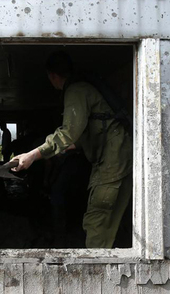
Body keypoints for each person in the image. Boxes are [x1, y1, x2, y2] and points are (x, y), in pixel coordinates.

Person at [11, 52, 132, 248]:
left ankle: (96, 272)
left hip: (112, 160)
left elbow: (68, 133)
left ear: (52, 76)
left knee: (96, 220)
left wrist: (32, 155)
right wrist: (66, 148)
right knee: (110, 219)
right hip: (120, 156)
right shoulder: (86, 89)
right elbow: (90, 132)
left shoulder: (75, 90)